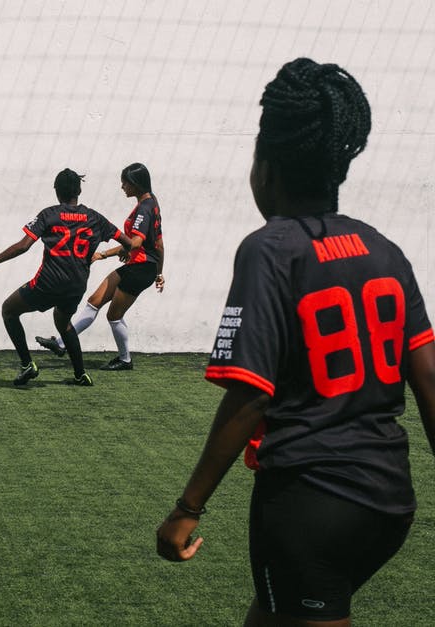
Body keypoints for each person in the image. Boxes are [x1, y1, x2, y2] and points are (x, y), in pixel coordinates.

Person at [156, 58, 435, 626]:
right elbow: (429, 377)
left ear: (268, 167)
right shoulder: (384, 249)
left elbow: (251, 395)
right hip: (390, 500)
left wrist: (187, 508)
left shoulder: (269, 249)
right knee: (272, 613)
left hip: (310, 502)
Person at [0, 169, 133, 386]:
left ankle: (27, 364)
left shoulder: (49, 214)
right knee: (63, 323)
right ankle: (80, 375)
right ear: (79, 190)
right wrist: (126, 250)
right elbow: (127, 241)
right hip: (76, 286)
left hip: (48, 283)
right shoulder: (95, 217)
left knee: (8, 310)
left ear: (57, 192)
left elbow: (23, 246)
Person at [35, 163, 165, 371]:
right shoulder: (152, 203)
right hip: (140, 265)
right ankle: (61, 344)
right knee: (94, 301)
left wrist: (103, 254)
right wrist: (159, 271)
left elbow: (135, 243)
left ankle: (125, 360)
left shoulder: (144, 208)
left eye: (125, 182)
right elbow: (158, 244)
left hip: (140, 269)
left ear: (136, 184)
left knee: (113, 315)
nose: (122, 186)